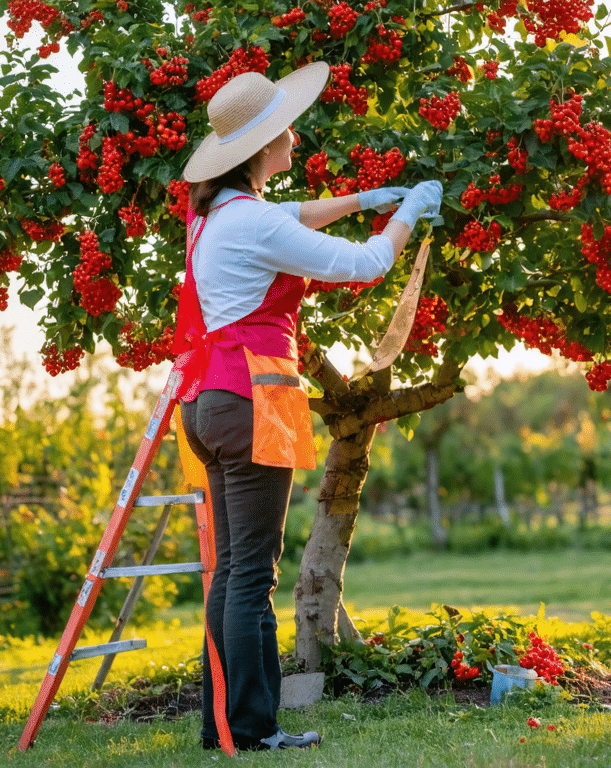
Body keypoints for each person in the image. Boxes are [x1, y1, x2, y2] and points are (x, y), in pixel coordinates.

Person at [172, 62, 442, 752]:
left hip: (209, 402)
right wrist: (406, 216)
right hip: (250, 402)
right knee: (252, 574)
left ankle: (225, 725)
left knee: (232, 570)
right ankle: (255, 728)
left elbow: (292, 217)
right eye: (287, 127)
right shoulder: (252, 224)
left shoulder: (216, 218)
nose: (296, 134)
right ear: (264, 145)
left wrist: (365, 197)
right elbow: (365, 265)